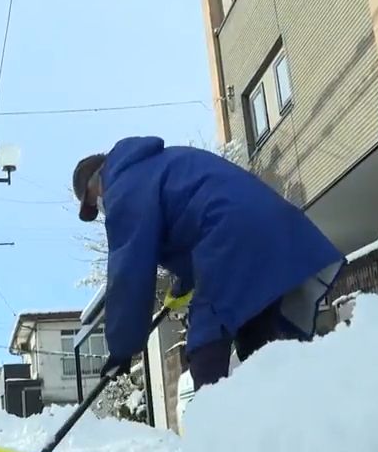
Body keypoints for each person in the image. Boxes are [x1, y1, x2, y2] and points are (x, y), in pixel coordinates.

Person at [72, 136, 344, 391]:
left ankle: (214, 432)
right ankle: (288, 420)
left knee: (206, 336)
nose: (99, 206)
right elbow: (193, 217)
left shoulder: (124, 184)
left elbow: (128, 272)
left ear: (98, 177)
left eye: (93, 200)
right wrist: (182, 286)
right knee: (258, 339)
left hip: (230, 234)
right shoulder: (159, 164)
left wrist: (122, 348)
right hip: (268, 227)